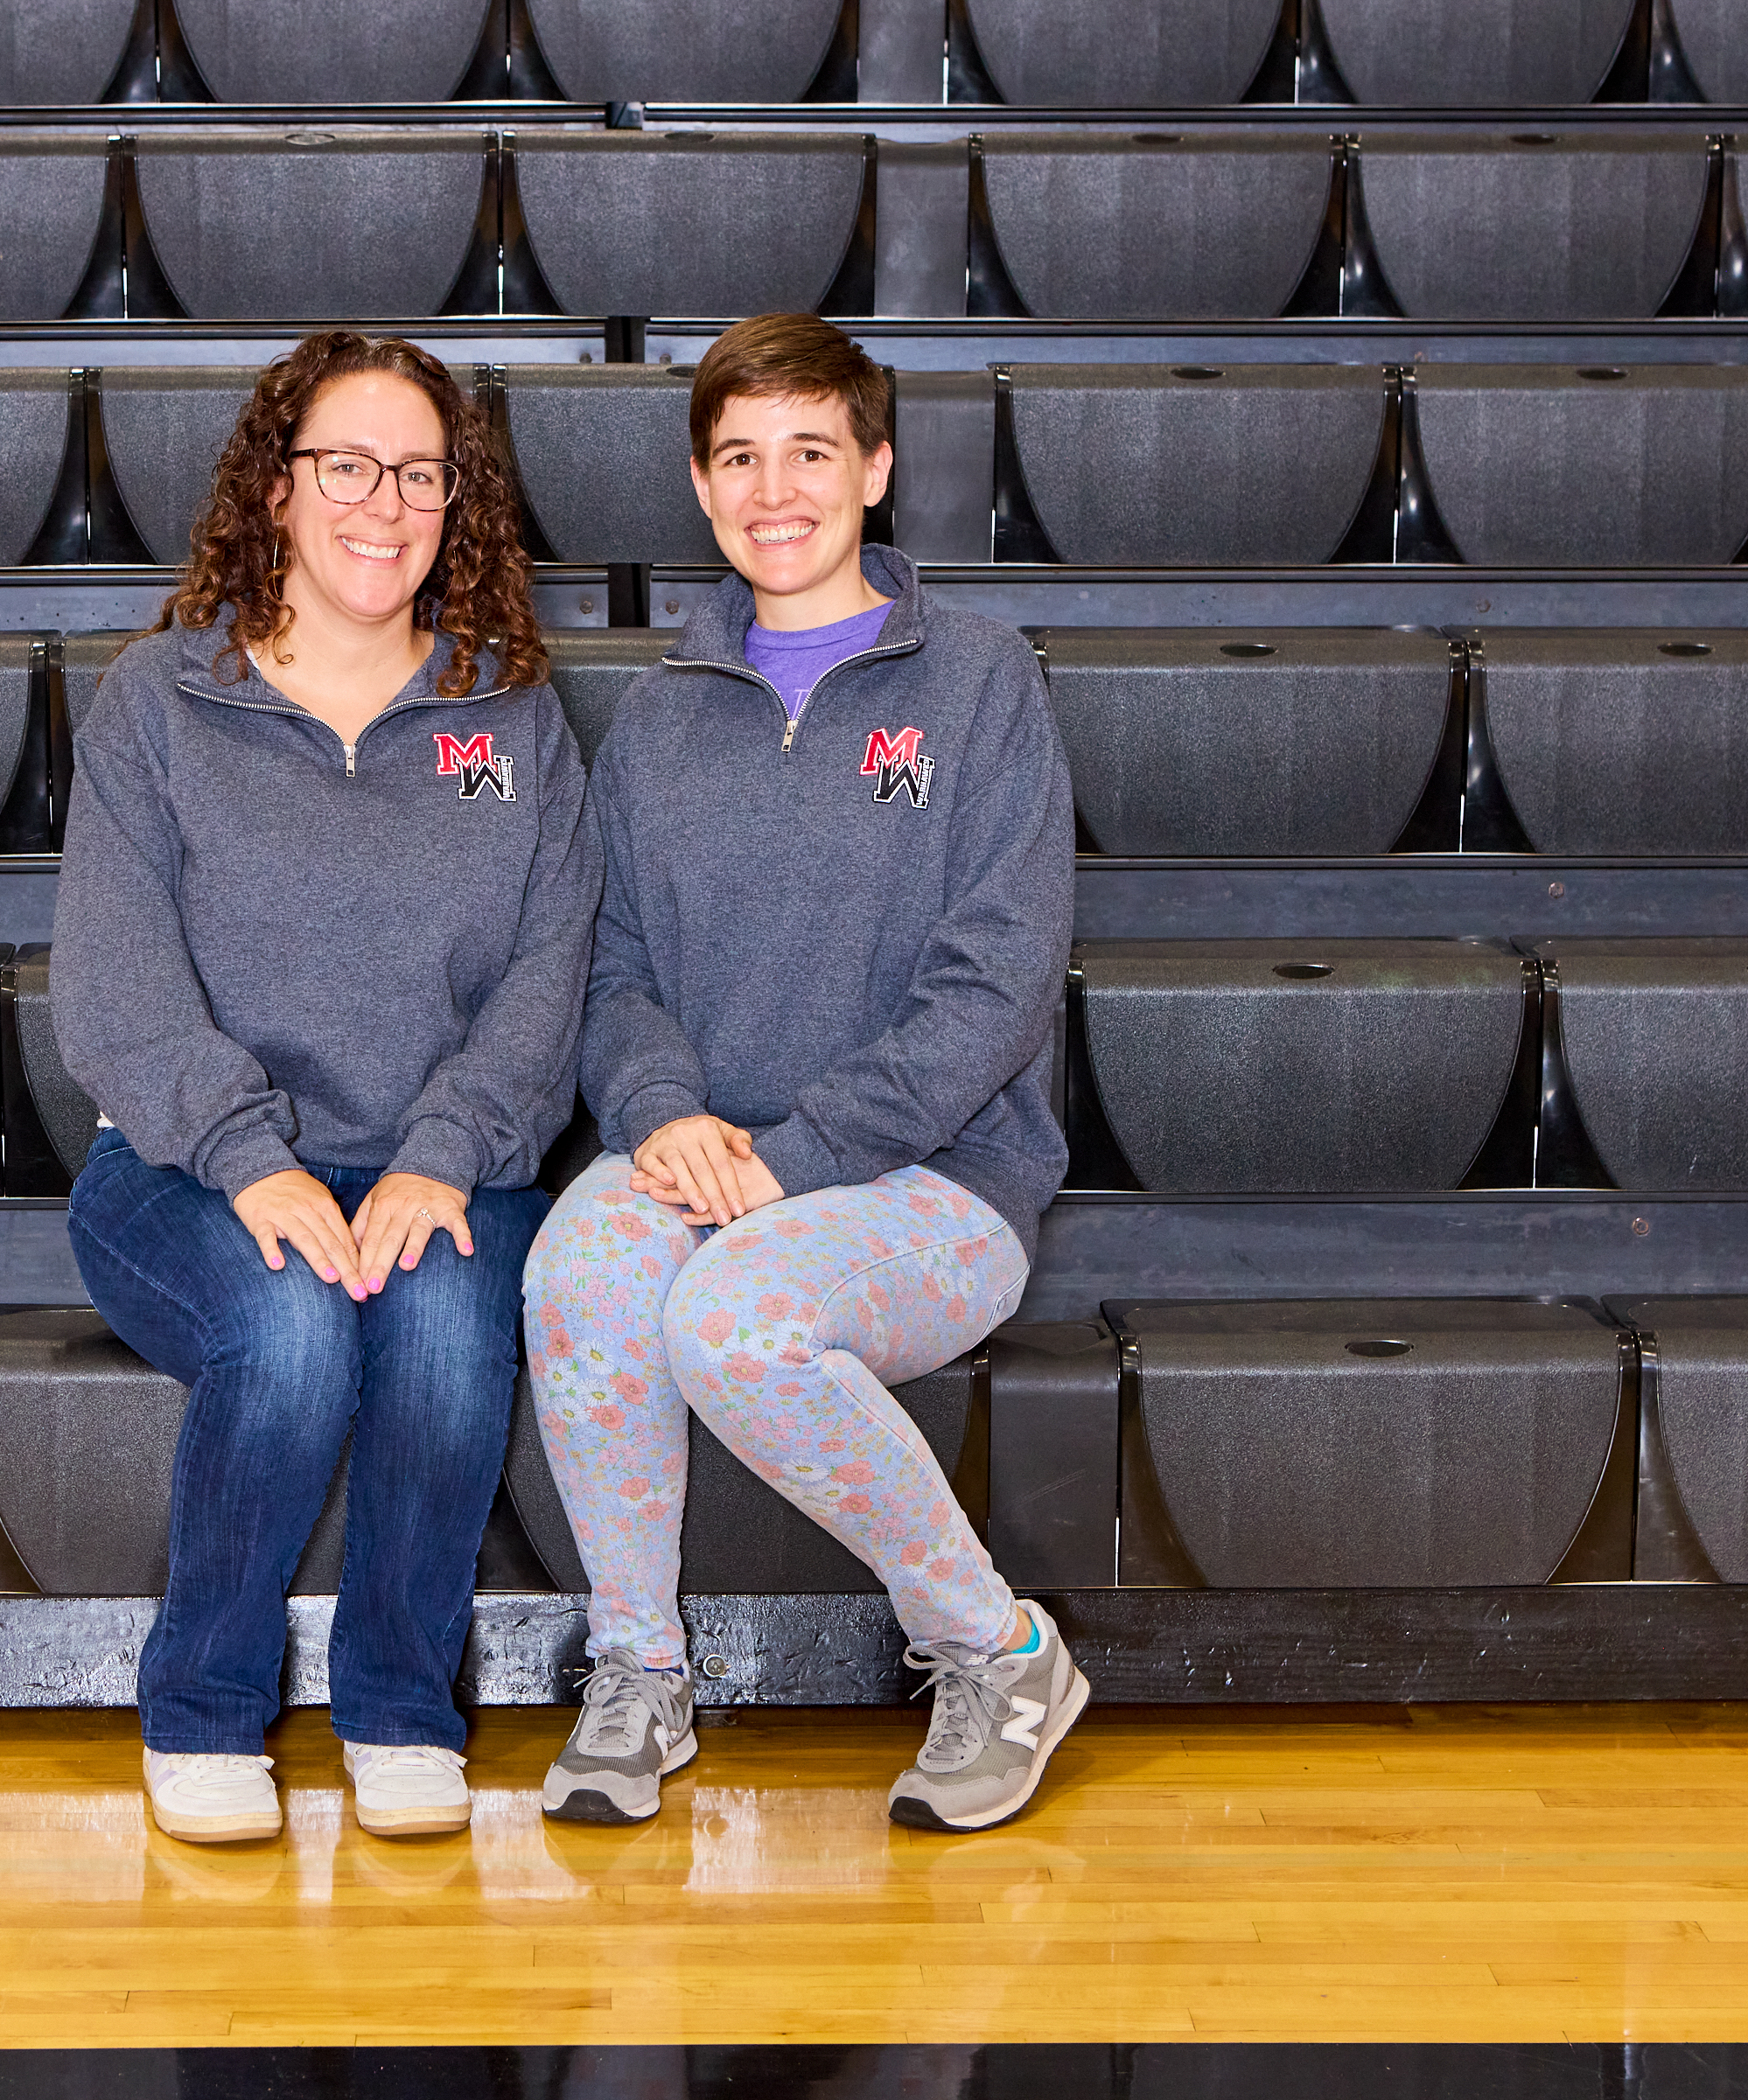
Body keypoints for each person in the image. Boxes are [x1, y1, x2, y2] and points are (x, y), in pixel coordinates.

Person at [522, 311, 1080, 1833]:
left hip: (930, 1177)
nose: (779, 489)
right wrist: (665, 1114)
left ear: (877, 468)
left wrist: (795, 1155)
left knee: (733, 1321)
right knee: (578, 1270)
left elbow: (998, 981)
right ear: (704, 490)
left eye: (813, 452)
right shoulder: (658, 717)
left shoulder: (977, 685)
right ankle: (640, 1675)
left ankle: (1002, 1652)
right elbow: (613, 968)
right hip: (708, 1150)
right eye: (743, 458)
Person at [52, 331, 601, 1846]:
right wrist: (248, 1158)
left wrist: (443, 1152)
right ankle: (207, 1710)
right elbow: (112, 984)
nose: (385, 503)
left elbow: (549, 981)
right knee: (293, 1329)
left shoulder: (515, 715)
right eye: (347, 465)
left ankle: (401, 1708)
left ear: (457, 502)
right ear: (277, 490)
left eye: (420, 473)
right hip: (182, 1170)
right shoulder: (160, 704)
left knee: (434, 1332)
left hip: (443, 1155)